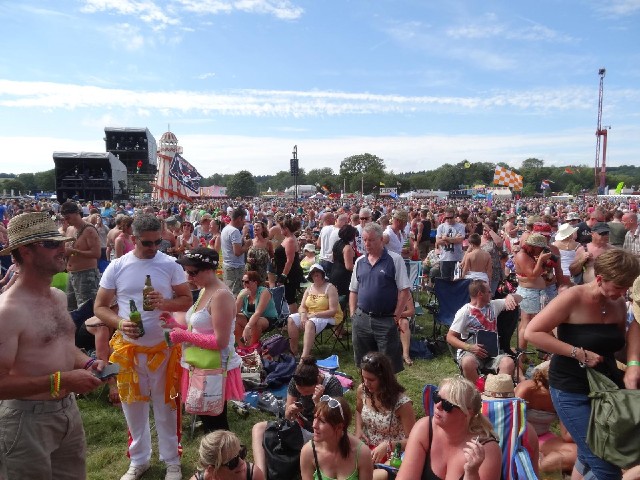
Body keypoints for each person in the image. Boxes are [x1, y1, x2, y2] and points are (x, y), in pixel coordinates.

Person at [0, 212, 106, 479]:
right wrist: (63, 380)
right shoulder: (8, 312)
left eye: (62, 242)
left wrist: (89, 363)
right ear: (25, 251)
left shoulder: (58, 297)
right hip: (25, 421)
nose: (64, 249)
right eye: (52, 244)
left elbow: (61, 345)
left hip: (67, 411)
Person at [525, 248, 640, 480]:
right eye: (619, 286)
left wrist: (633, 362)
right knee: (605, 463)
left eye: (626, 286)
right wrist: (578, 352)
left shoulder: (617, 304)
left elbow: (621, 343)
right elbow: (532, 331)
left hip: (605, 390)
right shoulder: (573, 297)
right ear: (599, 279)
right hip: (570, 388)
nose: (623, 292)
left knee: (588, 455)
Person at [94, 214, 193, 480]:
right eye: (147, 243)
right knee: (133, 408)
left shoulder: (170, 264)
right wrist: (120, 322)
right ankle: (139, 460)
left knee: (167, 407)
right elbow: (99, 307)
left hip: (164, 349)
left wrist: (165, 303)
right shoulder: (117, 266)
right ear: (133, 239)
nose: (153, 248)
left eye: (157, 242)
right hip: (129, 351)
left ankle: (172, 460)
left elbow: (187, 299)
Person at [163, 247, 244, 433]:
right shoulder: (205, 290)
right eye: (187, 272)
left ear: (209, 269)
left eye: (193, 273)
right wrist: (175, 324)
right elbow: (198, 328)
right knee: (210, 421)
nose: (189, 278)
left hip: (214, 366)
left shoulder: (220, 295)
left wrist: (183, 336)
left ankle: (228, 458)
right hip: (201, 364)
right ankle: (222, 458)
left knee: (216, 424)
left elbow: (220, 341)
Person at [396, 376, 502, 480]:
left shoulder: (486, 451)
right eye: (437, 397)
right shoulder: (424, 429)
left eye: (447, 405)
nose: (438, 406)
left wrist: (471, 473)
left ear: (467, 413)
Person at [251, 357, 344, 476]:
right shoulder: (295, 381)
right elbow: (287, 417)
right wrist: (289, 411)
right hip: (299, 425)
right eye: (300, 392)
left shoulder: (332, 385)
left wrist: (317, 402)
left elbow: (334, 422)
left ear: (317, 382)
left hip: (322, 431)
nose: (302, 395)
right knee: (258, 428)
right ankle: (261, 475)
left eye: (306, 393)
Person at [349, 222, 411, 373]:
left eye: (371, 240)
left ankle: (387, 395)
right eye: (364, 240)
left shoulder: (394, 259)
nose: (367, 244)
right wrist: (353, 315)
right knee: (363, 363)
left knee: (387, 365)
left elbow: (404, 290)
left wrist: (395, 317)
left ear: (381, 240)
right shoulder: (359, 261)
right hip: (362, 318)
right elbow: (353, 290)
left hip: (385, 319)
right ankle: (366, 392)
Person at [446, 279, 521, 383]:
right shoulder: (465, 312)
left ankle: (496, 390)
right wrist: (470, 347)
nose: (492, 293)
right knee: (468, 362)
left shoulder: (494, 305)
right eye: (489, 291)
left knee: (508, 363)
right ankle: (478, 392)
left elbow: (520, 298)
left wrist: (510, 296)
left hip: (493, 353)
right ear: (480, 294)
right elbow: (450, 337)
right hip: (471, 352)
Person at [355, 352, 415, 479]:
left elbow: (413, 441)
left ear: (384, 378)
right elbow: (358, 411)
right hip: (369, 449)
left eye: (371, 380)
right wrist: (359, 429)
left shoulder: (402, 404)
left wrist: (389, 445)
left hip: (397, 453)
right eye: (363, 378)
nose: (366, 383)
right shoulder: (362, 391)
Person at [514, 366, 577, 475]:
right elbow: (511, 423)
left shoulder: (563, 397)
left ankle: (539, 466)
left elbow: (567, 436)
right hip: (519, 437)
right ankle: (537, 463)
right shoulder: (526, 389)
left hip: (543, 438)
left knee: (578, 453)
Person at [300, 396, 374, 480]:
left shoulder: (362, 453)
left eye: (322, 421)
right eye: (315, 418)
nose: (314, 425)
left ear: (339, 426)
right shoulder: (309, 452)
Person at [288, 263, 343, 359]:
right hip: (310, 315)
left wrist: (314, 315)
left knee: (309, 323)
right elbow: (302, 306)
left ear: (322, 274)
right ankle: (294, 352)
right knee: (291, 319)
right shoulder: (309, 288)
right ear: (310, 276)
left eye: (317, 272)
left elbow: (333, 311)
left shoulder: (330, 288)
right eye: (313, 273)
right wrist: (303, 315)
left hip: (329, 316)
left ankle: (304, 357)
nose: (315, 274)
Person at [61, 200, 102, 310]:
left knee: (86, 310)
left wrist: (74, 252)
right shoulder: (69, 229)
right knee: (71, 308)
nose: (66, 220)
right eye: (64, 218)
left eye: (68, 217)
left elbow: (97, 253)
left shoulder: (89, 230)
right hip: (72, 274)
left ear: (76, 213)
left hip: (86, 274)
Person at [190, 430, 265, 480]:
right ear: (212, 470)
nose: (242, 462)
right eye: (233, 462)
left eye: (241, 453)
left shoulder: (253, 475)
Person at [235, 270, 279, 346]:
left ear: (255, 283)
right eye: (243, 281)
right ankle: (241, 348)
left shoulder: (264, 292)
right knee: (235, 318)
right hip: (249, 317)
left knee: (256, 321)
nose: (244, 284)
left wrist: (248, 326)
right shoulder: (243, 292)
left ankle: (251, 348)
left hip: (266, 319)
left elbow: (258, 312)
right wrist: (239, 297)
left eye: (247, 282)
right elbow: (235, 311)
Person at [274, 216, 304, 314]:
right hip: (285, 271)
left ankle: (294, 320)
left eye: (281, 228)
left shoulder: (290, 240)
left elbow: (290, 260)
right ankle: (290, 319)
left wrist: (283, 276)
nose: (280, 230)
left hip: (290, 273)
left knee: (290, 297)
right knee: (288, 296)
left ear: (286, 229)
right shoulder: (287, 238)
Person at [221, 207, 252, 295]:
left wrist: (243, 234)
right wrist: (247, 245)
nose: (243, 222)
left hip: (228, 265)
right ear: (239, 218)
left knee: (230, 292)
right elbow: (237, 252)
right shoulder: (234, 231)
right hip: (235, 268)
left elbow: (235, 245)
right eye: (243, 220)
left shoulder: (226, 228)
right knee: (236, 294)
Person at [434, 208, 465, 280]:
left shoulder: (460, 226)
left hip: (457, 258)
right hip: (444, 258)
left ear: (454, 217)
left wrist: (445, 238)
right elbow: (438, 241)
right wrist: (454, 239)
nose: (449, 219)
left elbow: (460, 240)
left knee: (456, 280)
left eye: (451, 217)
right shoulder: (441, 227)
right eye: (447, 218)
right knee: (445, 280)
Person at [329, 224, 357, 298]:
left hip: (334, 271)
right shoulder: (347, 248)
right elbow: (349, 266)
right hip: (343, 276)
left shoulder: (337, 243)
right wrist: (360, 268)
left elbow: (333, 258)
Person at [246, 221, 273, 285]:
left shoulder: (268, 243)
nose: (255, 228)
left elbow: (272, 257)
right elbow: (243, 257)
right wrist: (248, 259)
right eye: (254, 227)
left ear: (263, 229)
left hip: (262, 274)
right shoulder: (250, 241)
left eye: (257, 226)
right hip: (250, 271)